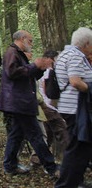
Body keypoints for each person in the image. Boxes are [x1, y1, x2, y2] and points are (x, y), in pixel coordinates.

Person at [0, 30, 58, 178]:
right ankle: (52, 168)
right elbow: (13, 73)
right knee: (35, 134)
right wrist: (34, 65)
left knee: (16, 134)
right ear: (22, 39)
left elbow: (26, 75)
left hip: (20, 102)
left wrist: (40, 68)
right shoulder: (12, 52)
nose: (31, 44)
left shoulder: (19, 54)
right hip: (19, 102)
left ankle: (9, 165)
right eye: (30, 41)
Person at [55, 27, 92, 188]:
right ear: (87, 43)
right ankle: (65, 184)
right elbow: (75, 81)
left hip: (73, 107)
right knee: (77, 149)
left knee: (81, 149)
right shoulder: (76, 56)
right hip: (76, 109)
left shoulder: (66, 54)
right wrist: (90, 88)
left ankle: (75, 181)